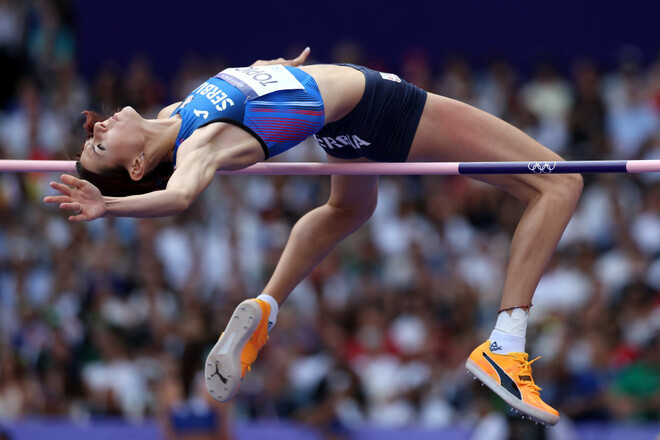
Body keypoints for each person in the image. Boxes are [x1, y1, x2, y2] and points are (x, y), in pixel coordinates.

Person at [44, 48, 583, 425]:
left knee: (348, 207)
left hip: (339, 121)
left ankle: (266, 306)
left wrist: (270, 71)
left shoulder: (172, 114)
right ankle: (506, 346)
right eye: (98, 147)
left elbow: (247, 94)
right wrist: (107, 205)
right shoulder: (197, 144)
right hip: (380, 109)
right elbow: (182, 196)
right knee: (559, 183)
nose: (96, 128)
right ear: (137, 165)